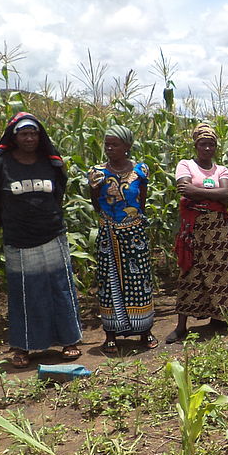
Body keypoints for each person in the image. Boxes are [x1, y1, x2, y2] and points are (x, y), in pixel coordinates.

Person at [0, 112, 83, 368]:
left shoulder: (50, 162)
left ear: (40, 136)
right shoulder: (2, 165)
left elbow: (59, 190)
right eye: (24, 133)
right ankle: (23, 347)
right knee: (25, 291)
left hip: (51, 233)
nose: (29, 138)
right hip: (19, 238)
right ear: (15, 137)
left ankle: (69, 341)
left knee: (60, 286)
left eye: (33, 133)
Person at [167, 123, 228, 343]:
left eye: (211, 144)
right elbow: (184, 189)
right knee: (190, 273)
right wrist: (213, 194)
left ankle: (219, 319)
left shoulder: (221, 170)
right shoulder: (186, 165)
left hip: (218, 231)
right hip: (195, 230)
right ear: (196, 145)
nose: (207, 148)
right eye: (203, 144)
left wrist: (198, 193)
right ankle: (181, 326)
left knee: (223, 274)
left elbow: (226, 193)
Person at [87, 125, 156, 353]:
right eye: (106, 143)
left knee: (140, 282)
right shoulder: (97, 172)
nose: (109, 148)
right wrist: (96, 194)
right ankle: (111, 335)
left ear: (126, 146)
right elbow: (97, 204)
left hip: (134, 233)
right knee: (109, 283)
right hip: (109, 234)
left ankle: (144, 331)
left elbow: (141, 202)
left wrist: (135, 223)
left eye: (114, 144)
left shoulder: (140, 170)